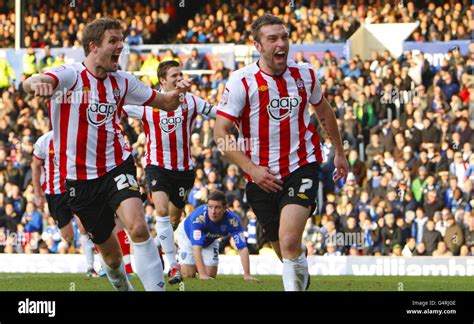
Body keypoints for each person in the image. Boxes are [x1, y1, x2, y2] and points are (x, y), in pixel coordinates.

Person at [22, 18, 191, 292]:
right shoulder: (70, 75)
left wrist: (178, 93)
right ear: (93, 46)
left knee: (137, 227)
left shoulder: (123, 81)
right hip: (79, 180)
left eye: (121, 41)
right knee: (111, 257)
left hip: (116, 165)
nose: (120, 46)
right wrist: (35, 84)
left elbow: (164, 102)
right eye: (113, 41)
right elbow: (34, 82)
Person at [214, 14, 348, 291]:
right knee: (283, 249)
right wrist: (251, 169)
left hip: (302, 164)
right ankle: (300, 268)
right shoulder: (241, 81)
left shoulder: (305, 74)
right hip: (260, 176)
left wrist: (339, 152)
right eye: (272, 38)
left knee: (288, 241)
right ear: (257, 45)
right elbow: (220, 134)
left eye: (284, 37)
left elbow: (324, 112)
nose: (281, 44)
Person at [124, 60, 216, 284]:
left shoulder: (191, 101)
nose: (178, 79)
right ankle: (173, 267)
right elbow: (119, 104)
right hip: (157, 167)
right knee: (162, 211)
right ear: (162, 80)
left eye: (180, 74)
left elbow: (216, 112)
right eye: (174, 76)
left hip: (184, 170)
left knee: (173, 221)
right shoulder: (148, 104)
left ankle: (156, 247)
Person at [31, 130, 98, 277]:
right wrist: (37, 193)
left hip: (76, 187)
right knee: (67, 235)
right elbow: (35, 167)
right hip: (54, 194)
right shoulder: (43, 141)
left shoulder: (74, 135)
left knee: (83, 226)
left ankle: (91, 267)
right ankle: (81, 253)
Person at [176, 190, 256, 280]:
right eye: (210, 207)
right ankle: (179, 265)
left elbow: (242, 247)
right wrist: (203, 275)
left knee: (210, 274)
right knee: (188, 274)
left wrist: (247, 275)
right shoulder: (199, 217)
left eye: (217, 207)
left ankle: (192, 265)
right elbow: (196, 247)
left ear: (225, 208)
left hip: (210, 239)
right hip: (188, 237)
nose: (213, 211)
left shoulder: (233, 220)